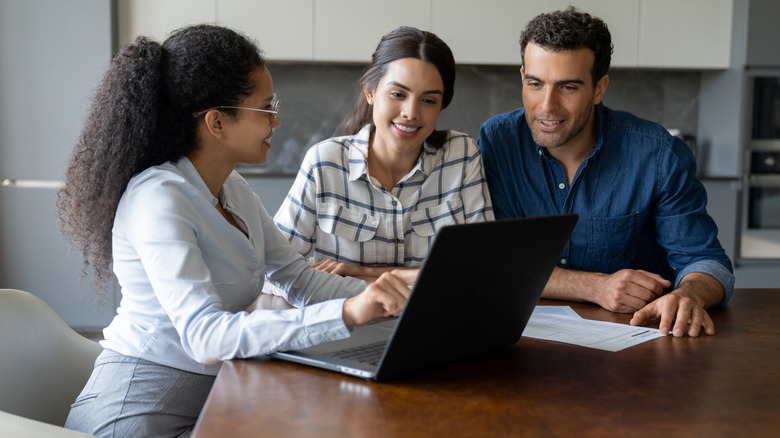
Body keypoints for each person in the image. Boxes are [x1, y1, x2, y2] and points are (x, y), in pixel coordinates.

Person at [57, 25, 416, 438]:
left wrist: (402, 303)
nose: (277, 120)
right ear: (217, 122)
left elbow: (299, 281)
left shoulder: (233, 190)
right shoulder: (159, 199)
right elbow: (205, 339)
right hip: (137, 412)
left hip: (212, 400)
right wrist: (350, 312)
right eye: (266, 108)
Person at [477, 7, 734, 338]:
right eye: (535, 83)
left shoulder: (656, 154)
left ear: (599, 88)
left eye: (568, 87)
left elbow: (708, 263)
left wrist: (688, 295)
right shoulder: (498, 142)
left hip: (637, 344)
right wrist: (594, 287)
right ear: (523, 76)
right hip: (524, 344)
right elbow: (497, 262)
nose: (547, 105)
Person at [272, 26, 494, 283]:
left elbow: (484, 268)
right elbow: (275, 270)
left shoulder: (462, 156)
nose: (411, 112)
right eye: (398, 94)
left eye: (429, 100)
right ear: (370, 92)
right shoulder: (325, 162)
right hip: (347, 320)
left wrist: (367, 274)